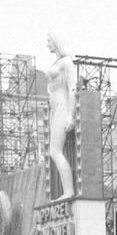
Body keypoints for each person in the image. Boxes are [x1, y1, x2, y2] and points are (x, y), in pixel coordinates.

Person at [45, 33, 76, 201]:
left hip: (63, 107)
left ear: (57, 41)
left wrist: (71, 115)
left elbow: (72, 88)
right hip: (54, 109)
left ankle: (69, 191)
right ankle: (67, 191)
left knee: (55, 151)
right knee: (53, 151)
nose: (47, 44)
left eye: (49, 40)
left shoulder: (66, 62)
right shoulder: (57, 63)